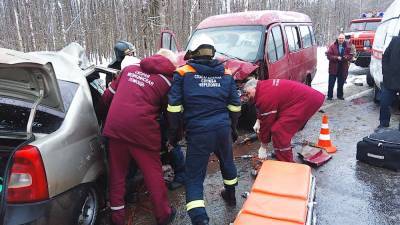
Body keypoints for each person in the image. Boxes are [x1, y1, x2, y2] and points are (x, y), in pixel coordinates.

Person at [167, 39, 241, 225]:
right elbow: (235, 106)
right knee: (227, 161)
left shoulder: (183, 73)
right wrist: (232, 129)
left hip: (199, 132)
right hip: (222, 129)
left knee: (194, 177)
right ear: (212, 53)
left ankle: (200, 220)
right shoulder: (226, 74)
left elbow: (173, 108)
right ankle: (231, 195)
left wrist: (174, 135)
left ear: (192, 53)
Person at [102, 49, 177, 225]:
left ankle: (117, 218)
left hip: (115, 128)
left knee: (117, 175)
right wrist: (174, 136)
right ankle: (164, 215)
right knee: (153, 174)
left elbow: (107, 97)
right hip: (142, 132)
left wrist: (102, 116)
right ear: (169, 64)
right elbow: (171, 113)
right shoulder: (168, 81)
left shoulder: (128, 70)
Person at [244, 78, 325, 162]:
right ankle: (280, 152)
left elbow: (267, 124)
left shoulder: (264, 95)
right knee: (279, 128)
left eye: (248, 93)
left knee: (279, 130)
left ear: (254, 88)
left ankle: (287, 163)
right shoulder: (263, 87)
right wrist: (258, 120)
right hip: (304, 99)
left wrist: (263, 147)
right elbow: (264, 109)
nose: (248, 96)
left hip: (307, 101)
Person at [377, 35, 400, 130]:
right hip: (390, 80)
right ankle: (383, 124)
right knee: (384, 102)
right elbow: (385, 56)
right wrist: (385, 72)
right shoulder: (395, 40)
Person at [326, 33, 352, 100]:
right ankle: (329, 96)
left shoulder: (348, 46)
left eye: (342, 38)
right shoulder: (332, 46)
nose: (341, 40)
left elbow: (351, 55)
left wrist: (346, 57)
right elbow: (329, 56)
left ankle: (340, 96)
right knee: (331, 83)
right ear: (337, 38)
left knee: (341, 83)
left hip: (343, 68)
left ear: (344, 39)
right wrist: (336, 57)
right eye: (340, 38)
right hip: (333, 67)